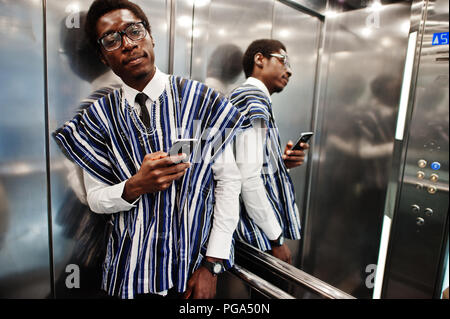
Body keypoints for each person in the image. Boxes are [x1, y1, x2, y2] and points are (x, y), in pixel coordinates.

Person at [53, 0, 243, 299]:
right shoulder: (96, 118)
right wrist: (133, 187)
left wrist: (213, 264)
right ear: (103, 56)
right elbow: (96, 198)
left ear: (150, 36)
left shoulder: (202, 102)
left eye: (134, 31)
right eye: (112, 40)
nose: (128, 44)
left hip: (190, 273)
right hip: (127, 276)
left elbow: (228, 183)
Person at [229, 39, 309, 264]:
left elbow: (243, 164)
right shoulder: (253, 101)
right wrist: (276, 240)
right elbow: (248, 178)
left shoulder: (248, 99)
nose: (289, 70)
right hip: (253, 234)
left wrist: (281, 164)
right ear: (259, 59)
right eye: (283, 60)